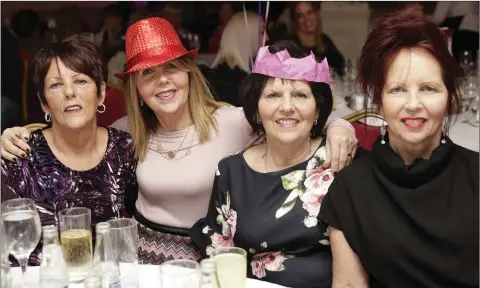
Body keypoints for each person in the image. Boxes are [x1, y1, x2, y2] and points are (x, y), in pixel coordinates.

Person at [1, 17, 358, 265]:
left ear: (189, 72)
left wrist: (341, 127)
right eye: (149, 73)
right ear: (137, 88)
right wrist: (16, 133)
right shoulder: (127, 133)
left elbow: (294, 117)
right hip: (139, 259)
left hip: (209, 260)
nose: (163, 81)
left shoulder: (233, 122)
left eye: (171, 67)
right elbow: (69, 129)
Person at [318, 5, 479, 287]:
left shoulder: (476, 176)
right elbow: (348, 284)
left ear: (449, 96)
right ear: (379, 99)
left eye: (428, 88)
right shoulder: (351, 191)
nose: (413, 104)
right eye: (398, 89)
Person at [191, 40, 355, 288]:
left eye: (300, 95)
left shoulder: (338, 159)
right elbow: (219, 257)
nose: (286, 107)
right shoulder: (230, 172)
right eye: (273, 95)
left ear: (318, 110)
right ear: (256, 110)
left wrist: (342, 125)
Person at [1, 37, 138, 266]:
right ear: (44, 103)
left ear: (101, 93)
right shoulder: (20, 155)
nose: (69, 92)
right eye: (55, 84)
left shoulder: (123, 151)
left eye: (81, 81)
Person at [203, 11, 267, 106]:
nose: (267, 38)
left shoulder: (223, 75)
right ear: (246, 36)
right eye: (262, 32)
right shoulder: (232, 81)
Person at [287, 2, 345, 77]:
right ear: (295, 21)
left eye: (309, 13)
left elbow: (341, 67)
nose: (306, 19)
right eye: (300, 16)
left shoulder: (324, 39)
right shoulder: (290, 44)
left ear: (316, 14)